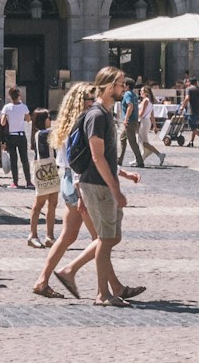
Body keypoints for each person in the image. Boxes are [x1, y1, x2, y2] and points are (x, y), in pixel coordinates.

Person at [60, 67, 143, 306]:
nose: (123, 88)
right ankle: (102, 294)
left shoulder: (104, 113)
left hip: (100, 184)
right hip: (98, 185)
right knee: (106, 238)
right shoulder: (96, 115)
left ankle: (71, 271)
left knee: (111, 237)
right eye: (120, 84)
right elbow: (97, 157)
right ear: (109, 87)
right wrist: (115, 189)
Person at [31, 82, 93, 297]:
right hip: (77, 181)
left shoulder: (65, 123)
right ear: (81, 102)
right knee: (103, 239)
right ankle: (70, 272)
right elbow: (78, 160)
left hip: (67, 179)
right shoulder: (81, 123)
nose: (94, 103)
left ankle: (42, 281)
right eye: (90, 100)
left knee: (68, 236)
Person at [1, 88, 32, 188]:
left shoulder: (7, 107)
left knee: (13, 160)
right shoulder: (24, 107)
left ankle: (15, 182)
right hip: (21, 135)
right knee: (24, 159)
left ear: (10, 96)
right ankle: (28, 181)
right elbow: (28, 119)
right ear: (19, 96)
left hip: (11, 136)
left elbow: (2, 122)